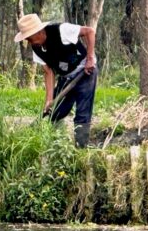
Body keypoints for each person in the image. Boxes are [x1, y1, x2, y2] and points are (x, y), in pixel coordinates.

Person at [14, 13, 97, 148]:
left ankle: (81, 150)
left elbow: (90, 31)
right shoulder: (36, 47)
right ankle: (59, 147)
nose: (28, 41)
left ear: (38, 31)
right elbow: (48, 71)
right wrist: (49, 99)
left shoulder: (61, 30)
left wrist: (90, 58)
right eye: (26, 39)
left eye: (29, 37)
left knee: (82, 113)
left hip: (85, 71)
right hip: (66, 77)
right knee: (55, 112)